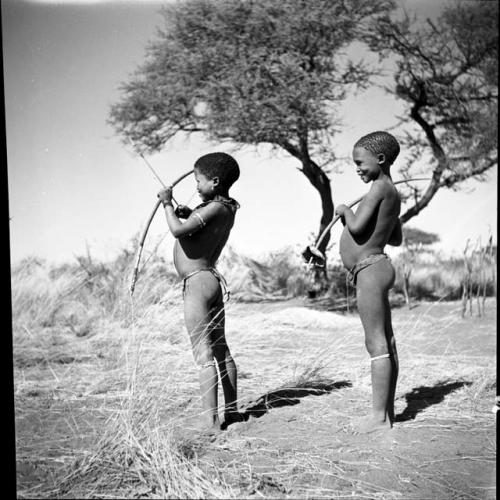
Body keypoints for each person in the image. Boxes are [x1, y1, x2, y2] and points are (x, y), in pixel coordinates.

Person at [157, 152, 244, 434]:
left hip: (197, 283)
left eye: (199, 181)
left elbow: (178, 231)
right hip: (211, 281)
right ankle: (231, 412)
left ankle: (210, 421)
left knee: (204, 354)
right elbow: (196, 222)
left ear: (215, 181)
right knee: (221, 350)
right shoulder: (225, 208)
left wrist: (168, 205)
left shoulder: (213, 208)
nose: (195, 186)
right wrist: (187, 212)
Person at [335, 131, 403, 434]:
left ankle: (378, 418)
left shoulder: (378, 188)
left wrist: (344, 211)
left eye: (360, 162)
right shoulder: (390, 191)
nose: (358, 168)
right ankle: (386, 414)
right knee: (385, 342)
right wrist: (388, 219)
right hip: (377, 268)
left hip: (371, 271)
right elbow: (397, 237)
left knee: (375, 343)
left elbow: (359, 226)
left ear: (381, 159)